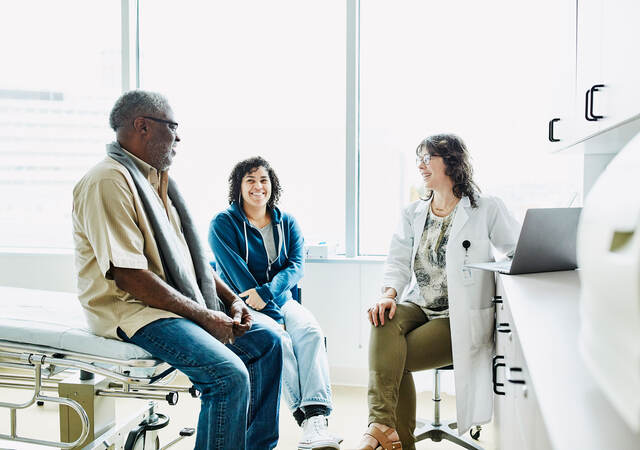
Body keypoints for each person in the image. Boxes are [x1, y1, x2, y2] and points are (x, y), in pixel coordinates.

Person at [72, 90, 283, 450]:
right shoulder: (109, 181)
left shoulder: (160, 184)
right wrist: (204, 316)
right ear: (142, 127)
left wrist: (232, 302)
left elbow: (190, 261)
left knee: (268, 342)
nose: (178, 137)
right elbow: (129, 276)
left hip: (168, 304)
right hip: (133, 310)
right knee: (227, 376)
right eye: (172, 126)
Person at [357, 134, 520, 450]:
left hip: (458, 314)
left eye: (427, 157)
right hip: (419, 303)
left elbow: (516, 250)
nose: (420, 165)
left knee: (393, 359)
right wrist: (389, 293)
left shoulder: (485, 208)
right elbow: (398, 261)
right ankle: (382, 426)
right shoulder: (413, 213)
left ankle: (387, 436)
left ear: (451, 162)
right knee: (382, 317)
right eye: (419, 158)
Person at [208, 157, 340, 450]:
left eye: (263, 180)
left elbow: (296, 266)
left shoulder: (287, 221)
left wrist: (269, 295)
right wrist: (269, 310)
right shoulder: (222, 224)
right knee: (279, 340)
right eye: (250, 180)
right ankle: (304, 418)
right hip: (242, 306)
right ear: (239, 186)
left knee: (310, 333)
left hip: (281, 300)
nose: (258, 187)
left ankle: (316, 419)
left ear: (272, 185)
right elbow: (237, 277)